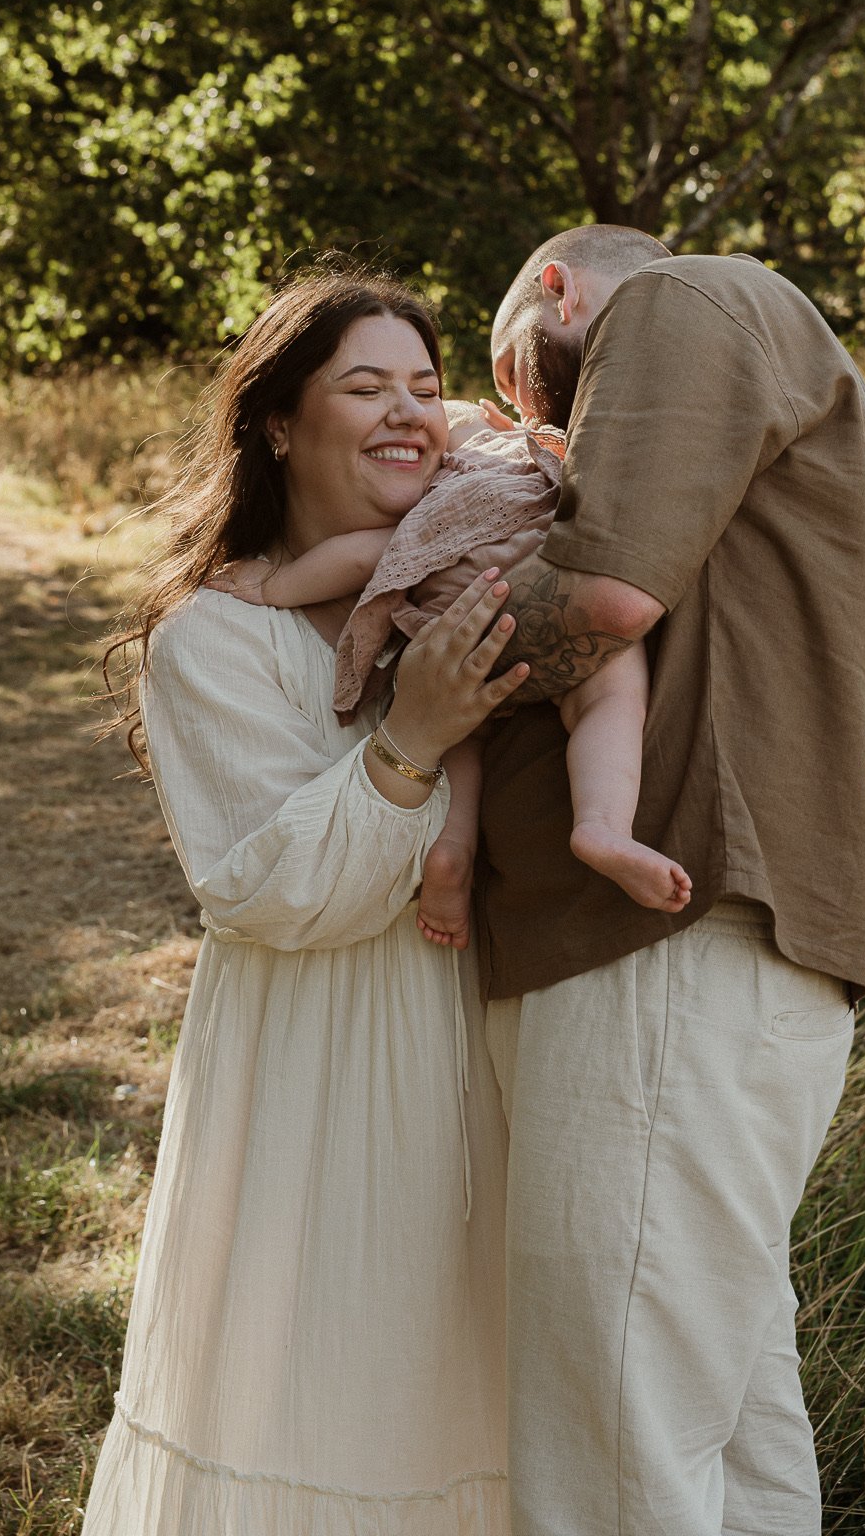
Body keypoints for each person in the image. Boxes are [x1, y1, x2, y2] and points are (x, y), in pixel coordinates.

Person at [477, 226, 865, 1536]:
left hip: (661, 947)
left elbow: (603, 593)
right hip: (704, 951)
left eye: (516, 385)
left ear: (552, 287)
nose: (525, 417)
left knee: (611, 1446)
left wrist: (415, 662)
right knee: (714, 1425)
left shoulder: (676, 298)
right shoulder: (766, 346)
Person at [83, 266, 520, 1536]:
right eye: (364, 383)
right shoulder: (213, 635)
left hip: (484, 1038)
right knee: (329, 1374)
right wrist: (412, 741)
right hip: (320, 1059)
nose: (407, 411)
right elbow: (272, 891)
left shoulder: (475, 571)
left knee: (472, 1379)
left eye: (426, 386)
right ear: (278, 419)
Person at [227, 400, 691, 949]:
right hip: (546, 581)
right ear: (499, 416)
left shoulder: (430, 489)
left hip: (456, 613)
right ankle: (602, 825)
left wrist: (274, 585)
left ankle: (453, 849)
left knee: (459, 737)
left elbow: (366, 556)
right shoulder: (527, 451)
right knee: (609, 702)